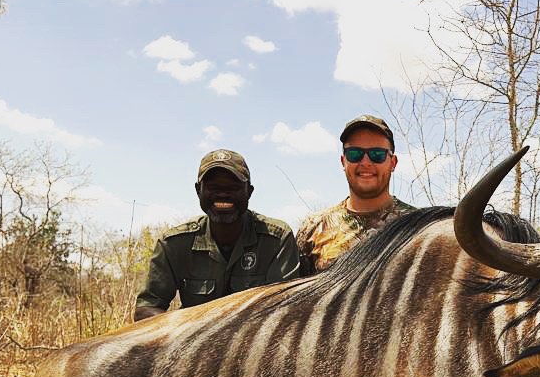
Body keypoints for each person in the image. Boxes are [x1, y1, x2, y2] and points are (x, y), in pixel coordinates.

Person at [134, 149, 300, 321]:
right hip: (192, 341)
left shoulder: (277, 240)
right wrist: (193, 331)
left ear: (249, 192)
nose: (222, 194)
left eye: (233, 187)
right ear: (198, 190)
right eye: (214, 187)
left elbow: (286, 311)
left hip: (255, 343)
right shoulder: (174, 244)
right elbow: (146, 311)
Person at [296, 114, 416, 274]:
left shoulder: (417, 226)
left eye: (377, 154)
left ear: (393, 163)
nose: (365, 162)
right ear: (343, 161)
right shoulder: (313, 229)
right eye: (354, 154)